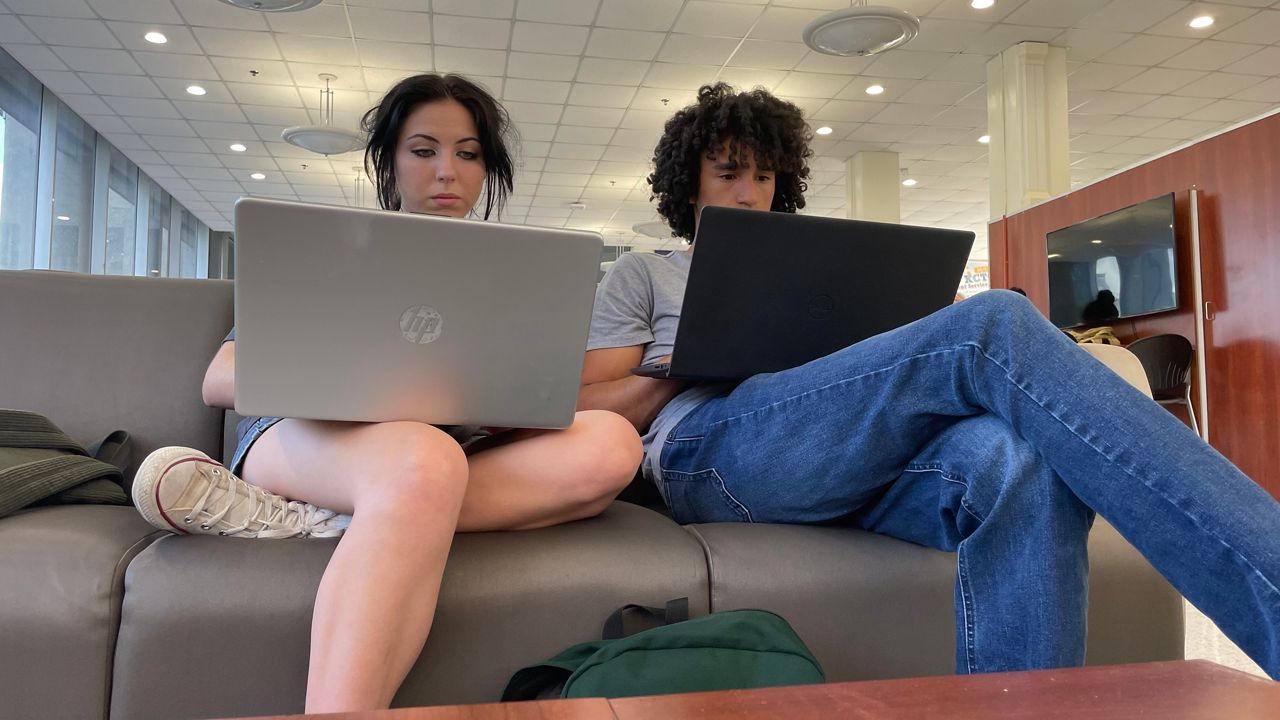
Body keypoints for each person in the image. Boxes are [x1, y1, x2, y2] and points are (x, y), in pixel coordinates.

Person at [579, 82, 1280, 679]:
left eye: (763, 176)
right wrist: (690, 366)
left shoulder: (814, 270)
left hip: (846, 452)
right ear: (688, 181)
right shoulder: (648, 272)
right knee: (995, 322)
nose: (748, 192)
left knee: (1015, 465)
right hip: (711, 450)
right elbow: (591, 402)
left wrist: (902, 323)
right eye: (729, 172)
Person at [130, 74, 642, 713]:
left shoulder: (510, 276)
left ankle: (358, 518)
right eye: (424, 150)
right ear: (390, 161)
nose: (447, 171)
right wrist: (364, 388)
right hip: (302, 439)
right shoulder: (335, 250)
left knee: (611, 444)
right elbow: (220, 379)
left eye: (468, 152)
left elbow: (532, 395)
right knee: (422, 461)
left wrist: (511, 410)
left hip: (440, 453)